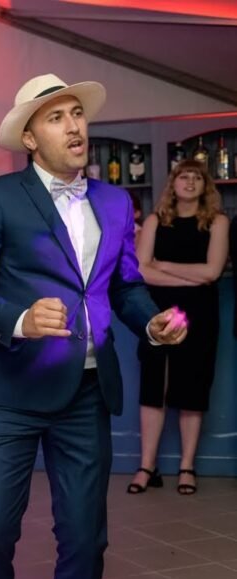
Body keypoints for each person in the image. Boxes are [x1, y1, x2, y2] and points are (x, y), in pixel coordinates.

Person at [0, 74, 188, 579]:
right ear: (29, 138)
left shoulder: (115, 201)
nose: (74, 125)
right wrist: (20, 319)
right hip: (10, 394)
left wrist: (151, 325)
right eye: (56, 117)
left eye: (77, 113)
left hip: (85, 393)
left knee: (85, 539)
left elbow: (124, 285)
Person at [127, 160, 228, 496]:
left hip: (201, 314)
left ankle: (187, 467)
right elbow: (141, 271)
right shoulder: (156, 219)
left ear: (205, 186)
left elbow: (212, 272)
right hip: (156, 313)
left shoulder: (217, 221)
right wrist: (188, 275)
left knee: (192, 390)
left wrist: (164, 266)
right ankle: (147, 466)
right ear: (173, 183)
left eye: (196, 177)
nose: (189, 182)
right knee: (152, 389)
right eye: (183, 176)